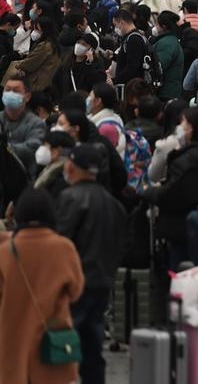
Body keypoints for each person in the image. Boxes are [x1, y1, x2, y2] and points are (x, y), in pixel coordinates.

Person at [56, 144, 127, 384]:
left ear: (73, 167)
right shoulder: (113, 203)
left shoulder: (70, 197)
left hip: (76, 284)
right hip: (102, 281)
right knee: (93, 345)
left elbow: (61, 243)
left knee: (62, 343)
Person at [0, 188, 84, 384]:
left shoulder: (4, 252)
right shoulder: (64, 248)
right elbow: (76, 291)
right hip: (51, 346)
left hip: (12, 346)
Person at [142, 106, 198, 267]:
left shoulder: (184, 160)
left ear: (192, 128)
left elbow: (173, 194)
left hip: (182, 227)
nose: (180, 128)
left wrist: (150, 192)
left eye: (183, 123)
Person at [0, 75, 46, 177]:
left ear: (27, 96)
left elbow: (31, 148)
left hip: (22, 176)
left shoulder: (36, 124)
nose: (10, 94)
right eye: (7, 90)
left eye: (15, 91)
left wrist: (5, 150)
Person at [33, 130, 75, 199]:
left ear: (58, 150)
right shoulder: (46, 168)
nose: (42, 150)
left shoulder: (62, 177)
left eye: (45, 146)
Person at [112, 9, 148, 86]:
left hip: (133, 86)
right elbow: (127, 58)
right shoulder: (129, 37)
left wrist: (114, 80)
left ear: (122, 23)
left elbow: (132, 67)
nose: (115, 28)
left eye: (115, 25)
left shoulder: (134, 39)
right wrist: (113, 56)